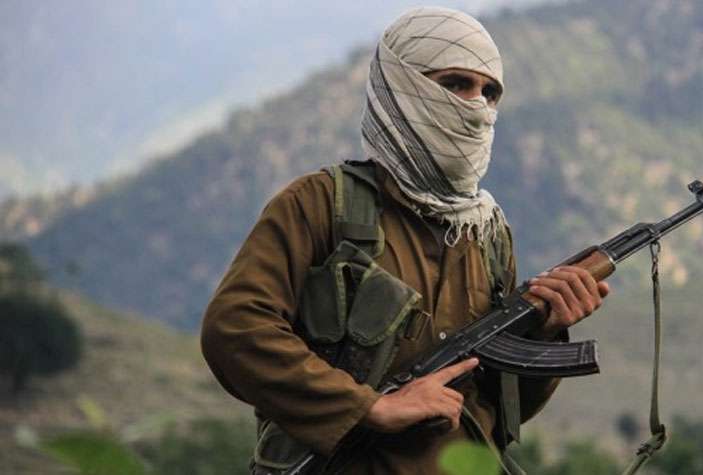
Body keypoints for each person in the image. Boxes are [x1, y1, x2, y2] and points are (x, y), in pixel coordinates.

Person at [201, 6, 609, 474]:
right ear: (402, 85)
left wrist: (544, 332)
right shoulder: (319, 203)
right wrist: (368, 407)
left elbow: (495, 410)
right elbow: (234, 328)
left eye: (489, 92)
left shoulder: (488, 233)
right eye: (456, 84)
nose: (476, 106)